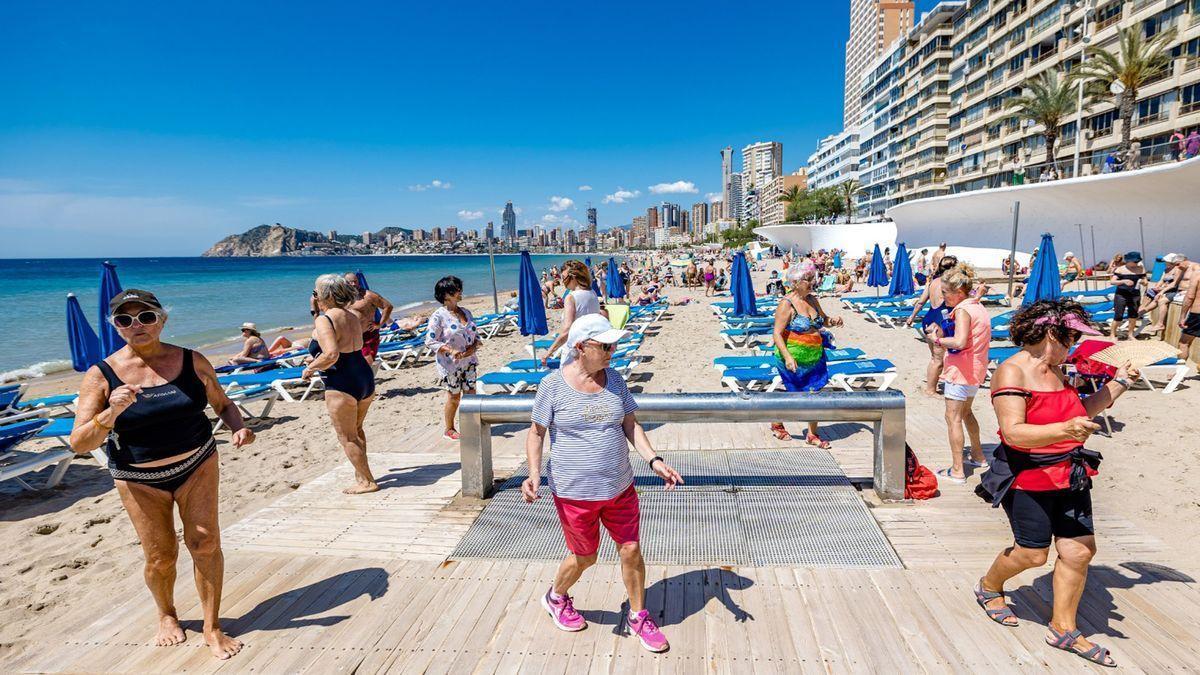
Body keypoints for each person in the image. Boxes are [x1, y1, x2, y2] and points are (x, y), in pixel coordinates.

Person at [69, 289, 254, 660]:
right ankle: (167, 614)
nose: (136, 325)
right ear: (116, 327)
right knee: (160, 557)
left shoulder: (191, 360)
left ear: (162, 320)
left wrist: (238, 426)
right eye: (125, 319)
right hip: (138, 480)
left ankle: (211, 626)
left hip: (197, 464)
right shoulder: (101, 374)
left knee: (205, 544)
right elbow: (79, 443)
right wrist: (111, 413)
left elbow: (223, 403)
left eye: (146, 317)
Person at [975, 300, 1140, 668]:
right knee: (1033, 554)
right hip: (1028, 477)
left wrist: (1121, 383)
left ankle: (1063, 628)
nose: (1075, 344)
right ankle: (989, 586)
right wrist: (1064, 430)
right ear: (1050, 334)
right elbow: (1015, 434)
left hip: (1071, 474)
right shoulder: (1011, 372)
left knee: (1080, 552)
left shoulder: (1058, 369)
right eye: (1071, 336)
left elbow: (1079, 413)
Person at [522, 314, 682, 653]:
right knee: (585, 556)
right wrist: (534, 474)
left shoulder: (616, 381)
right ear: (581, 347)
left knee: (631, 549)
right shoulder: (552, 386)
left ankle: (639, 615)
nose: (613, 351)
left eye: (614, 344)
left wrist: (654, 460)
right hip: (573, 492)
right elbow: (536, 433)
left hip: (619, 487)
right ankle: (555, 597)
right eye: (606, 345)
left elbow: (631, 426)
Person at [304, 274, 379, 494]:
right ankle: (361, 475)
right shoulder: (352, 315)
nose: (314, 296)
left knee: (346, 436)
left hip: (341, 380)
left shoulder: (325, 319)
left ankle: (367, 481)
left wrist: (310, 368)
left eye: (315, 293)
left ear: (325, 295)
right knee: (356, 430)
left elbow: (331, 354)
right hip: (363, 376)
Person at [925, 269, 991, 483]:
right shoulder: (977, 306)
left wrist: (937, 340)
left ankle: (957, 470)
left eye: (945, 293)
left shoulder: (962, 310)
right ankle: (979, 455)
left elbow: (960, 342)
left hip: (960, 370)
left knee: (952, 418)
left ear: (959, 292)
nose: (943, 297)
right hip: (976, 369)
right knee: (966, 413)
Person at [769, 263, 845, 445]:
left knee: (815, 392)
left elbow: (823, 319)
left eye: (812, 278)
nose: (812, 282)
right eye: (807, 279)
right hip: (792, 358)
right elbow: (777, 333)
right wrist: (787, 356)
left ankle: (812, 434)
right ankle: (777, 421)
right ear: (795, 282)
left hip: (815, 357)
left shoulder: (812, 300)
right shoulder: (786, 304)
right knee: (794, 394)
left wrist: (833, 321)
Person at [425, 275, 479, 441]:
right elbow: (430, 341)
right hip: (450, 365)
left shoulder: (466, 312)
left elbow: (476, 336)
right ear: (445, 295)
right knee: (454, 396)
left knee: (471, 394)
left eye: (459, 288)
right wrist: (451, 350)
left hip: (469, 362)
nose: (459, 292)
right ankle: (449, 429)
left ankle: (470, 427)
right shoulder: (438, 316)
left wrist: (473, 347)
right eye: (455, 290)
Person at [907, 256, 959, 396]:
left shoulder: (932, 282)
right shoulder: (948, 284)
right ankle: (931, 390)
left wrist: (912, 317)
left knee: (934, 358)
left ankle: (931, 384)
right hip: (939, 322)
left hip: (928, 319)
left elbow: (920, 302)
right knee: (938, 360)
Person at [543, 260, 607, 365]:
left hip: (574, 350)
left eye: (564, 278)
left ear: (573, 277)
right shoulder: (592, 293)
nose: (562, 281)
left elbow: (567, 330)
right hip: (591, 348)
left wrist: (549, 352)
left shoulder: (571, 297)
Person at [344, 273, 393, 366]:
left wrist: (379, 324)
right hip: (350, 337)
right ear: (345, 284)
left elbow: (388, 307)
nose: (354, 284)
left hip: (367, 335)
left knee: (367, 362)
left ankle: (366, 380)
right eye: (350, 282)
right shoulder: (342, 298)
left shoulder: (368, 295)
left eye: (355, 281)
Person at [1139, 253, 1185, 334]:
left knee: (1159, 299)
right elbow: (1161, 280)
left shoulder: (1178, 269)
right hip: (1164, 289)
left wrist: (1162, 290)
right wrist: (1157, 287)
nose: (1165, 263)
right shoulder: (1166, 270)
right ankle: (1141, 311)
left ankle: (1144, 315)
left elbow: (1175, 284)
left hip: (1173, 290)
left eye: (1166, 261)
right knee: (1150, 292)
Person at [1108, 251, 1146, 339]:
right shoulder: (1120, 269)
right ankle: (1112, 334)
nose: (1136, 263)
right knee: (1118, 315)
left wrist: (1143, 282)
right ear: (1128, 261)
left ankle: (1130, 335)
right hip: (1121, 294)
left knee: (1133, 315)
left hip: (1135, 294)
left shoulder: (1141, 269)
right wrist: (1123, 281)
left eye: (1137, 261)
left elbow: (1145, 281)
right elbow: (1112, 281)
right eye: (1134, 261)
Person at [1177, 261, 1200, 361]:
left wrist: (1182, 316)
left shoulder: (1198, 273)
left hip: (1198, 313)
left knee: (1184, 342)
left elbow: (1190, 297)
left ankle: (1179, 373)